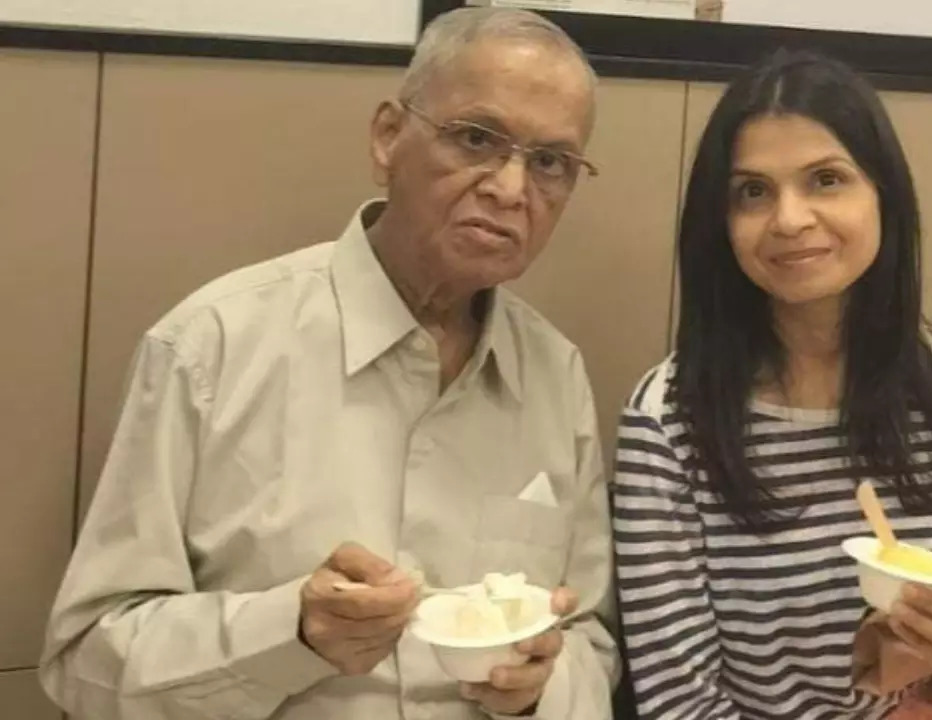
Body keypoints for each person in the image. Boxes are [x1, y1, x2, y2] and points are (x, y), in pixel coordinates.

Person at [40, 8, 618, 719]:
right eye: (476, 139)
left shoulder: (555, 376)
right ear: (387, 136)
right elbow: (86, 662)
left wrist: (542, 691)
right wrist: (292, 632)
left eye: (551, 162)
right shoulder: (212, 347)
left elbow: (591, 639)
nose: (509, 187)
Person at [612, 50, 932, 719]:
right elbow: (677, 699)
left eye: (826, 180)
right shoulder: (669, 420)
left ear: (882, 196)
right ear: (718, 225)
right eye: (753, 191)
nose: (789, 219)